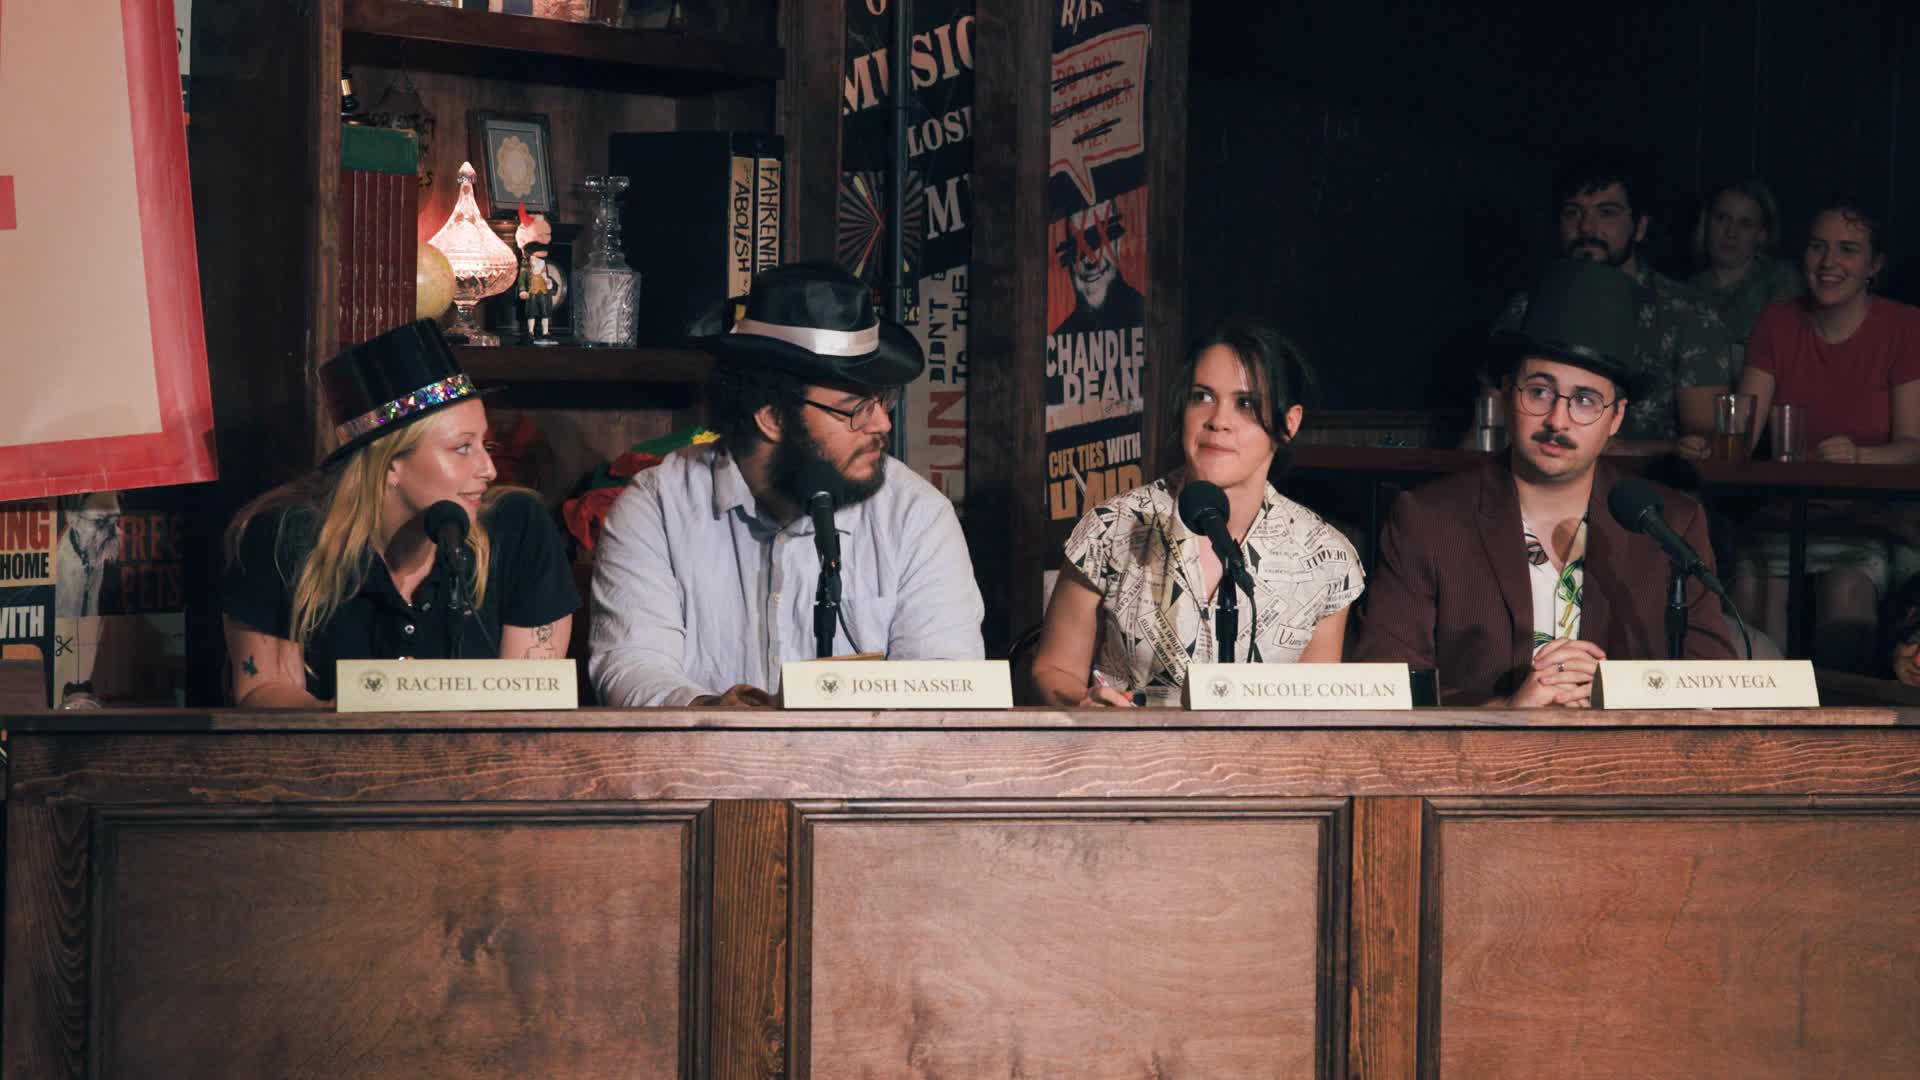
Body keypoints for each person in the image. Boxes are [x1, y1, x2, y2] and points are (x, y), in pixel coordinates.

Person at [589, 262, 985, 707]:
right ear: (773, 418)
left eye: (882, 401)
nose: (881, 424)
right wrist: (710, 714)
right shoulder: (658, 508)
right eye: (856, 408)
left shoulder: (917, 516)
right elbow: (632, 663)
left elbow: (946, 682)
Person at [1357, 259, 1737, 706]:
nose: (1557, 420)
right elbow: (1387, 695)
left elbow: (1716, 689)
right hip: (1482, 751)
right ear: (1506, 392)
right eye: (1539, 392)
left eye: (1585, 400)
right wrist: (1510, 714)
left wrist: (1615, 692)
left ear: (1616, 417)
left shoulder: (1672, 524)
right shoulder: (1427, 519)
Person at [222, 321, 580, 706]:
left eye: (485, 445)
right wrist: (360, 715)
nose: (489, 469)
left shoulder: (517, 526)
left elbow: (532, 705)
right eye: (462, 448)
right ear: (391, 464)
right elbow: (262, 691)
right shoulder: (285, 539)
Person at [1027, 319, 1362, 707]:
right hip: (1126, 744)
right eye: (1202, 397)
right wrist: (1084, 702)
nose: (1218, 420)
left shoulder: (1326, 558)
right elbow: (1053, 669)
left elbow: (1314, 711)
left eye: (1246, 403)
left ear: (1289, 423)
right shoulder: (1113, 526)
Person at [1703, 197, 1920, 669]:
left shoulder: (1905, 326)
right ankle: (1763, 710)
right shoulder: (1778, 321)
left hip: (1873, 519)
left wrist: (1859, 456)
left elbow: (1914, 447)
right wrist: (1710, 443)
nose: (1828, 262)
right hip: (1788, 514)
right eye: (1818, 246)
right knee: (1752, 579)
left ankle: (1842, 715)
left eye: (1848, 250)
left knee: (1846, 589)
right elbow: (1742, 431)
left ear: (1874, 265)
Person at [1475, 156, 1737, 451]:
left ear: (1639, 227)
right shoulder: (1526, 308)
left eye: (1606, 213)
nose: (1587, 227)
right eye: (1573, 212)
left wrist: (1623, 452)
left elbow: (1704, 446)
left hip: (1650, 480)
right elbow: (1487, 431)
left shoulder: (1687, 315)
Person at [1687, 178, 1803, 345]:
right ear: (1706, 223)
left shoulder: (1780, 281)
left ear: (1761, 234)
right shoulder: (1686, 292)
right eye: (1722, 218)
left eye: (1745, 224)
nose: (1730, 233)